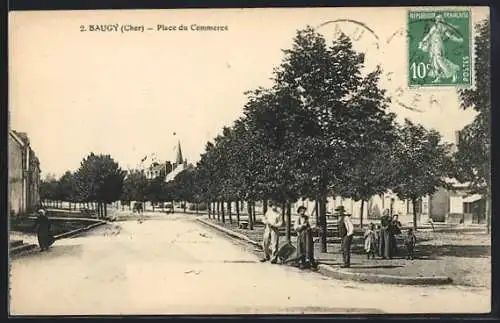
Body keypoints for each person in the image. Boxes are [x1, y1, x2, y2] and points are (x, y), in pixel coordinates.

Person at [418, 14, 464, 83]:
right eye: (437, 18)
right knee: (434, 61)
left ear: (442, 19)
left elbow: (450, 36)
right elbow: (429, 35)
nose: (438, 20)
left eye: (440, 18)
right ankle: (438, 77)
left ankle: (453, 73)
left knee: (439, 59)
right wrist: (422, 41)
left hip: (438, 44)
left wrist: (458, 40)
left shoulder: (443, 27)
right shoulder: (434, 27)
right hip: (432, 45)